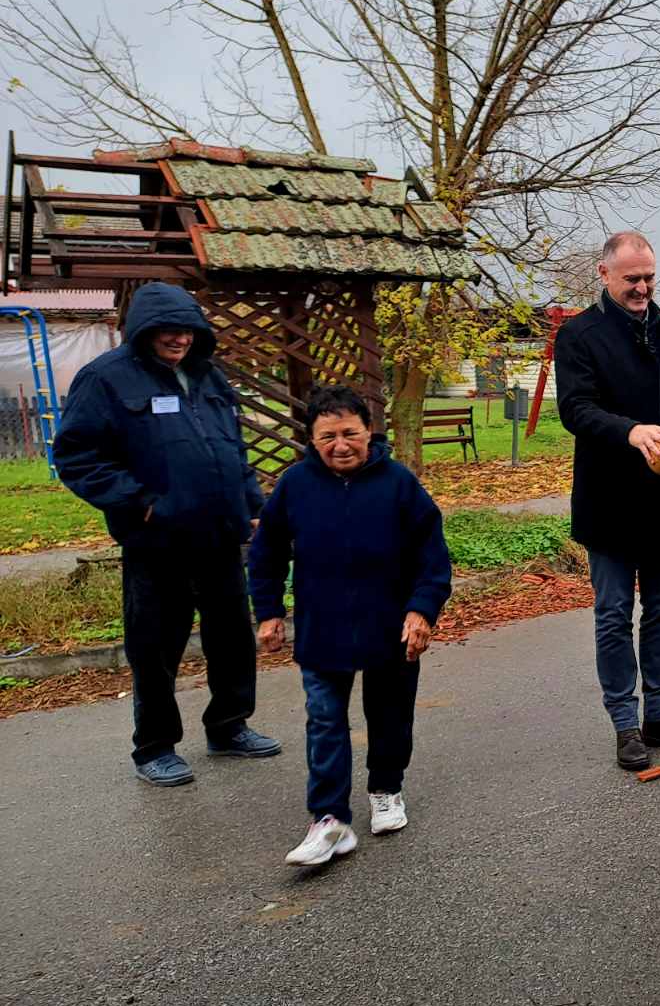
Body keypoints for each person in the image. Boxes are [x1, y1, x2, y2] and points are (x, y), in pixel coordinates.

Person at [53, 282, 281, 787]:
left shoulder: (208, 375)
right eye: (168, 330)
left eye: (188, 329)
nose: (180, 338)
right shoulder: (106, 378)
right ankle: (154, 747)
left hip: (220, 535)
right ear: (143, 329)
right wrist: (141, 503)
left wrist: (254, 506)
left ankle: (229, 726)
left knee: (231, 639)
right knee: (155, 648)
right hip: (156, 542)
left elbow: (233, 451)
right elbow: (76, 457)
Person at [248, 385, 452, 866]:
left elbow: (432, 556)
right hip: (323, 628)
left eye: (349, 434)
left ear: (369, 432)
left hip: (391, 626)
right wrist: (270, 611)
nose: (340, 445)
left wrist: (422, 610)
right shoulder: (295, 485)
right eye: (327, 437)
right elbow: (267, 552)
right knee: (324, 720)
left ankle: (386, 788)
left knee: (390, 714)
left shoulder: (398, 483)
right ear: (311, 440)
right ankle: (329, 820)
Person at [556, 231, 660, 770]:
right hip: (607, 501)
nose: (642, 287)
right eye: (632, 278)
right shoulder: (579, 335)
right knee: (613, 614)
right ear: (604, 274)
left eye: (649, 277)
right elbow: (575, 409)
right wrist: (630, 432)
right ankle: (625, 723)